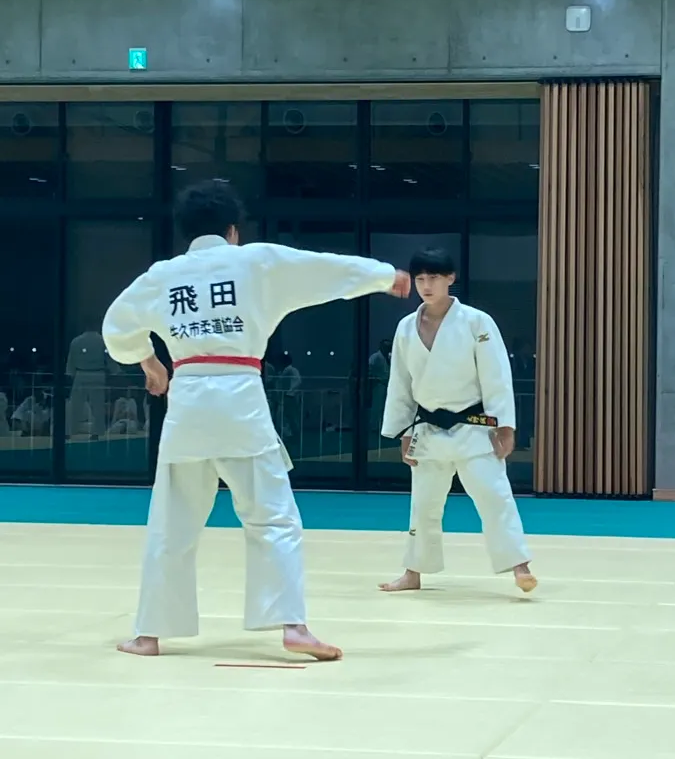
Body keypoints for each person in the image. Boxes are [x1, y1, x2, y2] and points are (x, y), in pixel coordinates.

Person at [102, 179, 410, 659]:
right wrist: (383, 275)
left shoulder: (163, 275)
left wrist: (149, 361)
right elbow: (320, 269)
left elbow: (116, 326)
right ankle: (292, 626)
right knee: (272, 517)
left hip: (188, 400)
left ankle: (148, 634)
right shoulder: (254, 262)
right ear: (232, 230)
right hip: (239, 397)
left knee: (171, 524)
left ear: (188, 231)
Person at [379, 247, 536, 597]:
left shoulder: (476, 322)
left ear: (451, 278)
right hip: (427, 429)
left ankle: (519, 565)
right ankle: (413, 572)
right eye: (420, 279)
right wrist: (404, 431)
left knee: (494, 496)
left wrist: (504, 426)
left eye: (434, 277)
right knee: (424, 505)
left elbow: (496, 375)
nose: (426, 285)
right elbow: (400, 383)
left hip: (474, 426)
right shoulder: (406, 328)